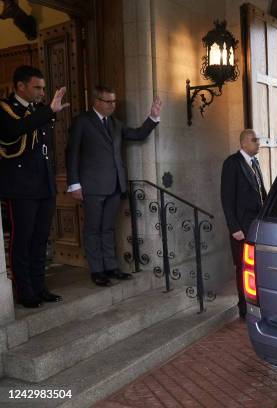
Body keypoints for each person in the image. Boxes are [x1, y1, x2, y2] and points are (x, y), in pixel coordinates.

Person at [66, 85, 162, 287]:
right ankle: (97, 270)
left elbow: (137, 134)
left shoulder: (115, 124)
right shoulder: (82, 122)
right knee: (93, 229)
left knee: (108, 228)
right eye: (108, 101)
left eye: (114, 101)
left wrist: (152, 117)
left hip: (114, 186)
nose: (112, 105)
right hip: (91, 186)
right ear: (97, 102)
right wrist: (74, 184)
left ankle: (111, 267)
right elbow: (72, 153)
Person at [0, 65, 69, 308]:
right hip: (20, 187)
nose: (42, 92)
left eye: (42, 87)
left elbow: (45, 150)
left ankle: (40, 288)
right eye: (36, 87)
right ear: (20, 86)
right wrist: (48, 111)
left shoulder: (40, 111)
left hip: (44, 186)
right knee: (22, 241)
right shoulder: (6, 108)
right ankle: (25, 292)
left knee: (40, 240)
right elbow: (14, 130)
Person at [220, 129, 267, 318]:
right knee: (243, 268)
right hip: (241, 227)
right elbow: (226, 198)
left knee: (256, 268)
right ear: (243, 144)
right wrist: (234, 228)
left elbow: (262, 193)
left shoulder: (255, 163)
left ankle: (256, 304)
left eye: (258, 139)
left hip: (256, 226)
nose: (258, 142)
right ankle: (243, 309)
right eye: (253, 140)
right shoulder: (232, 163)